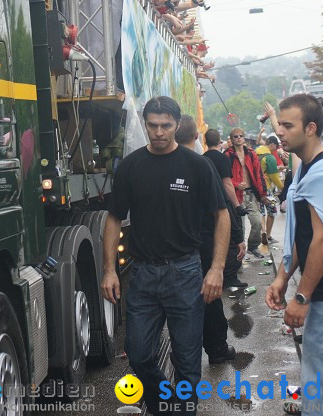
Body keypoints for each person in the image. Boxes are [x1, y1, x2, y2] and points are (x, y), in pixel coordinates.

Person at [101, 96, 229, 415]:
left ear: (176, 124)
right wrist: (109, 270)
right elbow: (114, 218)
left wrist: (216, 269)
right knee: (138, 352)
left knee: (186, 359)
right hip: (144, 276)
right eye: (152, 125)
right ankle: (163, 403)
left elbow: (222, 214)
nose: (159, 132)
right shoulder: (131, 167)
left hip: (186, 273)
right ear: (145, 124)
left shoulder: (196, 165)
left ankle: (184, 409)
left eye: (166, 126)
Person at [266, 93, 323, 415]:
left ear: (311, 128)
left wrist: (301, 298)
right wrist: (283, 276)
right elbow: (305, 233)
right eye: (279, 124)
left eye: (287, 125)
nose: (280, 132)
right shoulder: (309, 167)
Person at [176, 116, 242, 365]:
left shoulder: (162, 166)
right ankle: (216, 348)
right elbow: (222, 206)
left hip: (175, 247)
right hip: (204, 242)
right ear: (196, 138)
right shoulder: (202, 165)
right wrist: (236, 237)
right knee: (209, 295)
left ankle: (182, 353)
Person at [204, 128, 248, 288]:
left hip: (206, 206)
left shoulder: (202, 159)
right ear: (219, 140)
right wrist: (237, 205)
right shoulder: (222, 158)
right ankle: (229, 276)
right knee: (231, 239)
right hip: (223, 202)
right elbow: (227, 183)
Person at [224, 129, 271, 259]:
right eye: (236, 136)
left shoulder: (251, 154)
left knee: (256, 222)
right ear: (232, 139)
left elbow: (259, 174)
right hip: (236, 195)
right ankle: (240, 254)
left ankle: (253, 246)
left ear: (244, 138)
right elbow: (224, 176)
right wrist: (235, 184)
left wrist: (263, 194)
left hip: (250, 193)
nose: (239, 138)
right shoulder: (228, 155)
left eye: (241, 136)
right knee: (240, 227)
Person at [255, 135, 284, 245]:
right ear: (272, 144)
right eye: (275, 147)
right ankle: (268, 235)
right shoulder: (270, 157)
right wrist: (282, 187)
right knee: (271, 212)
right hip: (266, 188)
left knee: (261, 212)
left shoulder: (255, 153)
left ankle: (262, 231)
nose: (275, 150)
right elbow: (274, 177)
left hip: (256, 189)